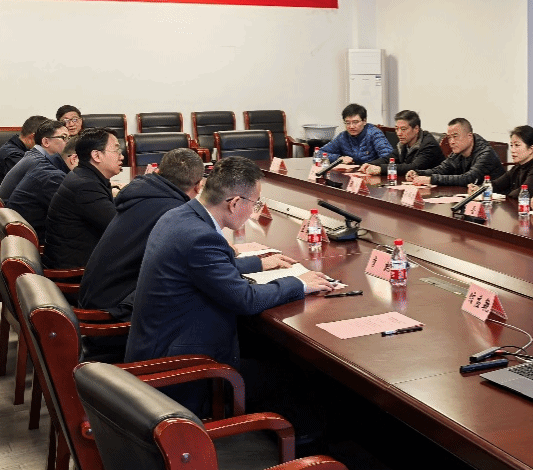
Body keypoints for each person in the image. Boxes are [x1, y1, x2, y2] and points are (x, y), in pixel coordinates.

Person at [124, 156, 333, 413]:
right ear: (234, 203)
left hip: (161, 345)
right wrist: (298, 283)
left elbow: (203, 268)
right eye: (255, 203)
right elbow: (245, 299)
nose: (254, 209)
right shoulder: (201, 237)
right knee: (298, 377)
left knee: (267, 353)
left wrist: (258, 263)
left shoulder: (179, 215)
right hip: (181, 371)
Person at [80, 148, 212, 324]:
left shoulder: (143, 193)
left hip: (97, 297)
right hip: (114, 312)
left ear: (158, 172)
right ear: (198, 186)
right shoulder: (174, 212)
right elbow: (202, 263)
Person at [43, 128, 121, 269]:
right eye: (116, 150)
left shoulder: (85, 176)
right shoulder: (86, 186)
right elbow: (119, 226)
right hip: (76, 271)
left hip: (83, 259)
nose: (121, 156)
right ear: (96, 156)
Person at [5, 130, 76, 243]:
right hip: (29, 240)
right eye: (64, 137)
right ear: (74, 159)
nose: (67, 142)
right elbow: (76, 214)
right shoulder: (51, 176)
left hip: (18, 234)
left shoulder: (43, 164)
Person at [406, 118, 505, 186]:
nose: (451, 142)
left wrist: (431, 179)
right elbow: (441, 169)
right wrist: (418, 173)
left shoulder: (486, 154)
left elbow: (468, 179)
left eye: (455, 136)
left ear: (469, 136)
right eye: (449, 137)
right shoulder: (458, 152)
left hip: (497, 202)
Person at [473, 125, 533, 196]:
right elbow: (497, 185)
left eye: (517, 145)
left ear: (531, 149)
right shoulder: (518, 167)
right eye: (511, 145)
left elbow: (522, 193)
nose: (512, 150)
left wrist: (505, 196)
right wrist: (479, 189)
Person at [0, 120, 69, 201]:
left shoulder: (34, 156)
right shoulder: (40, 164)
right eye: (64, 137)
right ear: (46, 142)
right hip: (12, 208)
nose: (68, 142)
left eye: (69, 138)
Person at [359, 109, 444, 176]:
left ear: (416, 129)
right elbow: (390, 158)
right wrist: (370, 164)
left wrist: (381, 169)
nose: (399, 133)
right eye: (397, 129)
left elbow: (413, 167)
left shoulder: (429, 144)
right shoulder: (404, 142)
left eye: (403, 129)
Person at [0, 115, 49, 192]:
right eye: (46, 139)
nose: (47, 143)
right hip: (2, 199)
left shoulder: (15, 147)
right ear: (33, 137)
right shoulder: (13, 155)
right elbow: (36, 182)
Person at [317, 103, 394, 165]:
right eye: (347, 123)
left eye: (355, 122)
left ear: (364, 121)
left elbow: (389, 157)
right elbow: (319, 153)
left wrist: (372, 165)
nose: (351, 126)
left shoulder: (374, 133)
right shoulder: (343, 136)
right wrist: (339, 158)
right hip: (351, 175)